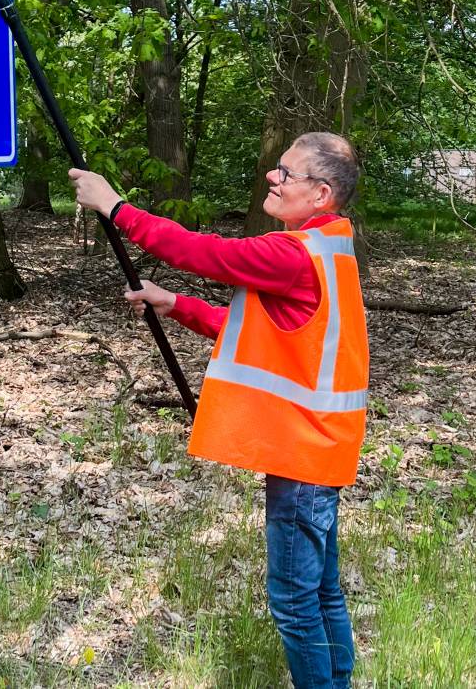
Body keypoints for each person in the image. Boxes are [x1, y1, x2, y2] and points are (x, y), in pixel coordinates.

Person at [69, 132, 368, 688]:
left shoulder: (293, 253)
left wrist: (116, 208)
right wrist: (175, 304)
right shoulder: (330, 246)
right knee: (321, 592)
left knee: (295, 604)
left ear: (321, 193)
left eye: (286, 173)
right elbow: (260, 332)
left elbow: (206, 254)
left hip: (302, 456)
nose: (271, 179)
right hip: (317, 450)